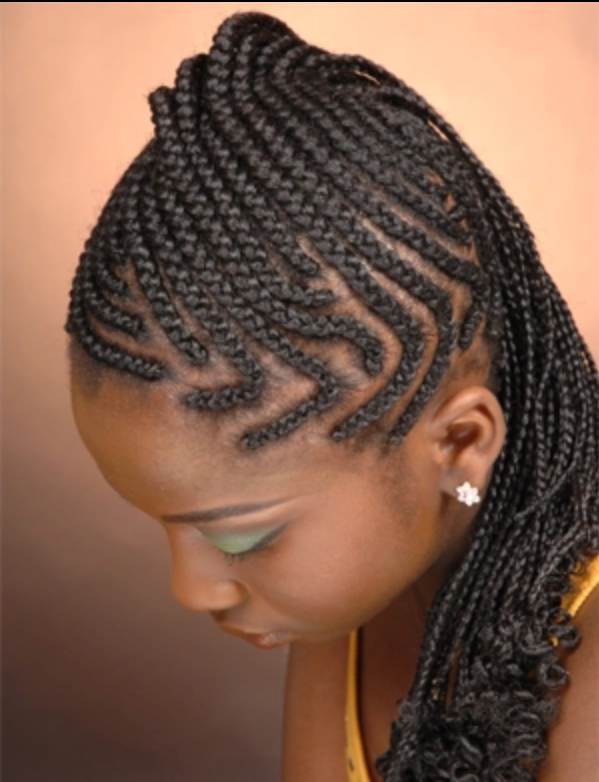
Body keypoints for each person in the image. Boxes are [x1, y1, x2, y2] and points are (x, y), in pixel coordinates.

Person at [66, 12, 598, 782]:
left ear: (456, 446)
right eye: (163, 526)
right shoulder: (358, 585)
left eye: (242, 538)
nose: (190, 589)